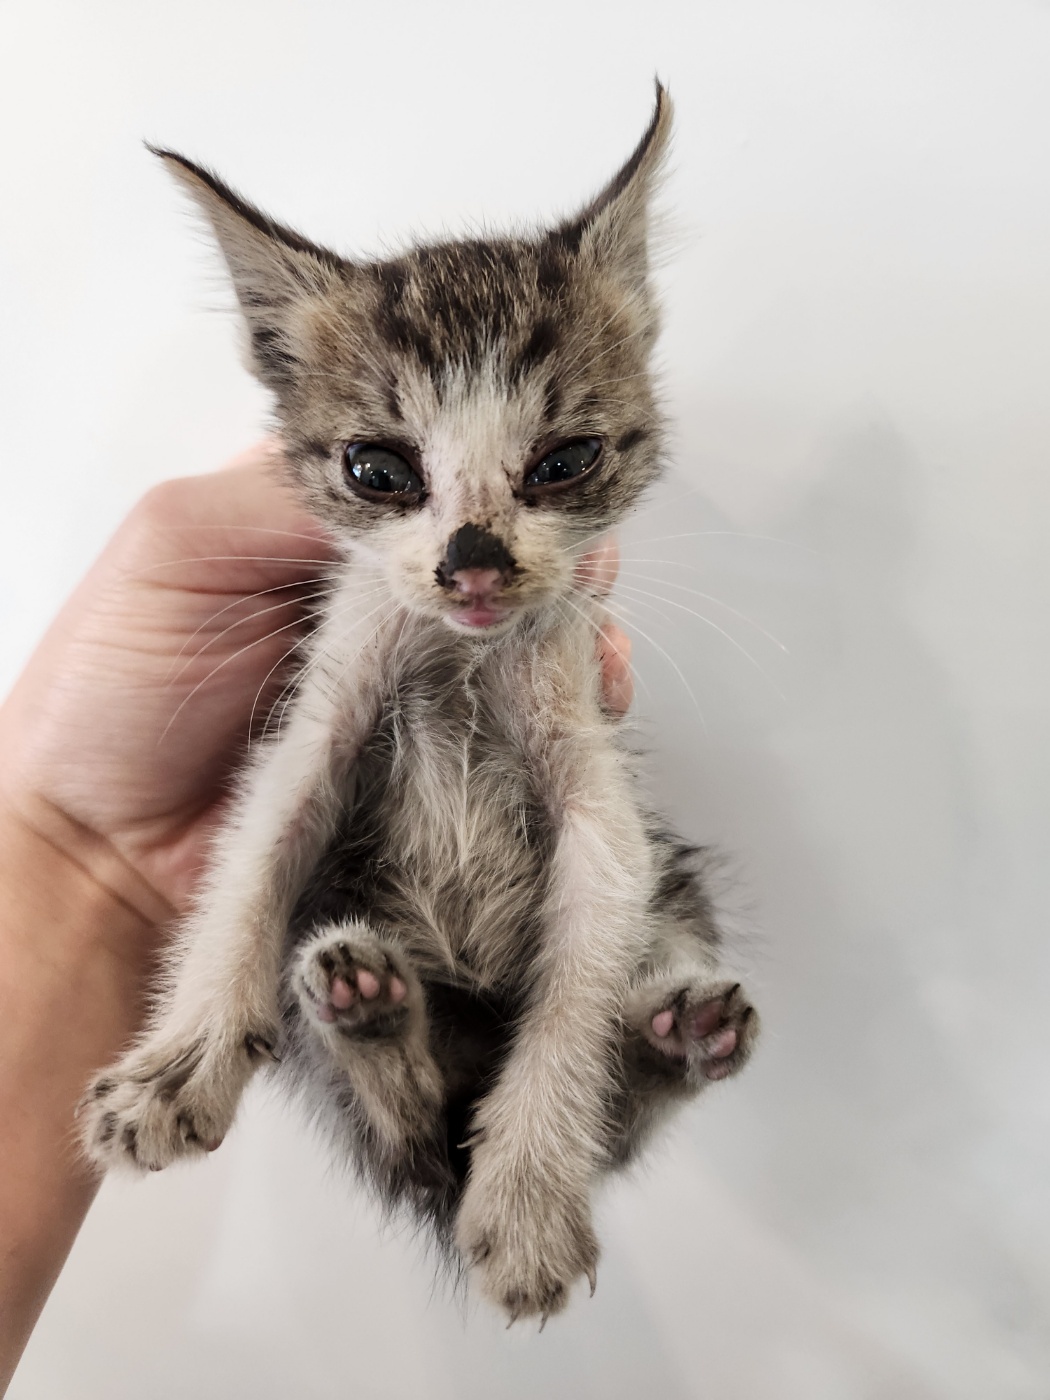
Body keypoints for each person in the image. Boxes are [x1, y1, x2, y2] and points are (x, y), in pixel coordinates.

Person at [0, 442, 632, 1389]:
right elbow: (301, 777)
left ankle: (566, 1082)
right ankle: (384, 1062)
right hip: (378, 912)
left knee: (639, 886)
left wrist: (548, 1127)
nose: (475, 568)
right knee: (339, 904)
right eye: (385, 474)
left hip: (495, 938)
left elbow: (599, 830)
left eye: (558, 464)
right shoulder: (366, 570)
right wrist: (201, 1015)